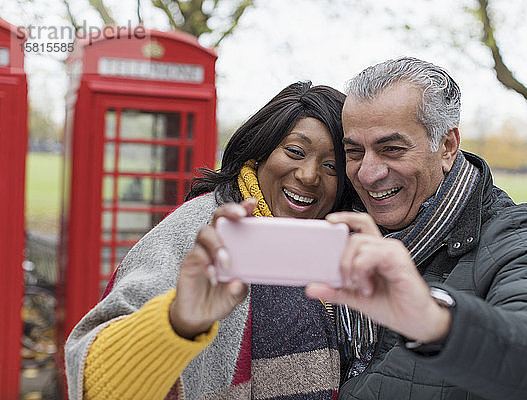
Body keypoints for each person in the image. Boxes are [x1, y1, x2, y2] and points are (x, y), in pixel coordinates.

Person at [305, 57, 527, 399]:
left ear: (447, 146)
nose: (367, 173)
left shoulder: (514, 233)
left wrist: (434, 322)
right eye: (354, 152)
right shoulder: (337, 218)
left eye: (392, 149)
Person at [65, 81, 352, 400]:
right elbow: (96, 383)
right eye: (295, 152)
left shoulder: (337, 244)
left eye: (332, 166)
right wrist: (176, 324)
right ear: (261, 151)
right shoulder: (203, 231)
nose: (309, 175)